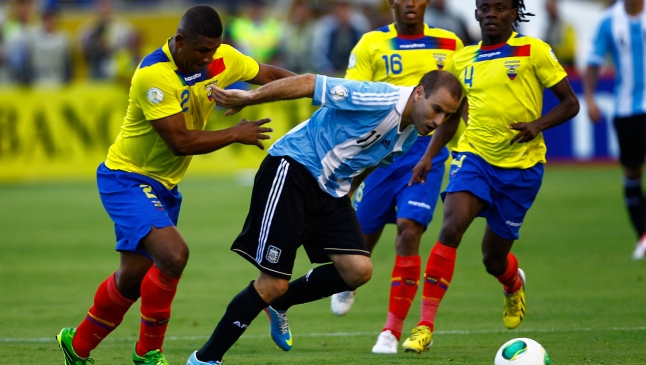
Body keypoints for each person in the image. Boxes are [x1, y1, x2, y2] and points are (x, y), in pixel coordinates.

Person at [55, 6, 296, 365]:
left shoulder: (217, 59)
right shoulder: (154, 75)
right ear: (179, 41)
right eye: (202, 51)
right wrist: (235, 133)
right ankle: (148, 355)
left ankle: (77, 345)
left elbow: (268, 73)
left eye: (214, 50)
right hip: (127, 177)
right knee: (173, 255)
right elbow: (180, 142)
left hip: (164, 185)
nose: (209, 58)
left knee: (132, 278)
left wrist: (318, 90)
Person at [185, 70, 464, 365]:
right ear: (419, 93)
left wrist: (349, 192)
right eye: (437, 109)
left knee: (358, 271)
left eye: (447, 116)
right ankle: (204, 359)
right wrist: (252, 97)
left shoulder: (408, 135)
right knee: (272, 283)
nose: (438, 121)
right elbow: (309, 83)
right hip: (293, 168)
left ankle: (280, 303)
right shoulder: (380, 97)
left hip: (330, 190)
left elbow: (368, 161)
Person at [402, 0, 580, 354]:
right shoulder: (463, 59)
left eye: (500, 8)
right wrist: (427, 157)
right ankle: (424, 326)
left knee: (492, 258)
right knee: (451, 227)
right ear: (477, 14)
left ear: (513, 13)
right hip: (474, 158)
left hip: (522, 169)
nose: (491, 14)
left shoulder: (533, 50)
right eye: (484, 8)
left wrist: (537, 125)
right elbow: (451, 117)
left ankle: (512, 283)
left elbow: (569, 103)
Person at [327, 0, 464, 355]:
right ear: (392, 3)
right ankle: (349, 283)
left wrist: (437, 153)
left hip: (425, 153)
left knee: (409, 229)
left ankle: (390, 331)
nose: (410, 4)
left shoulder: (450, 44)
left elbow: (458, 107)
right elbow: (353, 99)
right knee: (362, 242)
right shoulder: (372, 44)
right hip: (382, 154)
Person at [584, 0, 646, 260]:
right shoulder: (607, 21)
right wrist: (588, 98)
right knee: (632, 172)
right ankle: (643, 236)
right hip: (625, 109)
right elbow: (593, 61)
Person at [544, 0, 576, 69]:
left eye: (551, 8)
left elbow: (570, 51)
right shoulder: (548, 27)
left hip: (565, 67)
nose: (549, 12)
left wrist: (553, 50)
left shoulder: (566, 26)